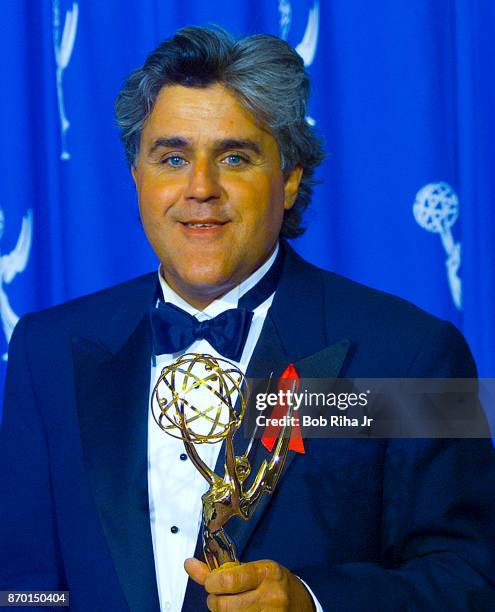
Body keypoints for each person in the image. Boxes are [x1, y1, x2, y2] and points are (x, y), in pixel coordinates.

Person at [1, 26, 494, 612]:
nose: (200, 188)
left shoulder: (416, 354)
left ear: (288, 179)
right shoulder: (46, 348)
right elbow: (26, 587)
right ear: (137, 176)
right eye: (173, 157)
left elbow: (472, 581)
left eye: (234, 157)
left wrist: (311, 601)